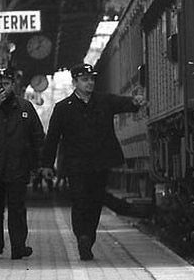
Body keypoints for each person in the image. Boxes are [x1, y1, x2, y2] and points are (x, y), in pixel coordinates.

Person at [40, 63, 145, 261]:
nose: (89, 83)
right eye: (84, 80)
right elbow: (52, 137)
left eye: (91, 79)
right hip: (76, 165)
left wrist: (135, 102)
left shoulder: (104, 101)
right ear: (75, 82)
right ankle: (83, 237)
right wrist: (46, 164)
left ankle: (88, 237)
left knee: (96, 202)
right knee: (80, 201)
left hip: (100, 163)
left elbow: (123, 103)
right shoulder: (63, 108)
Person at [0, 67, 45, 260]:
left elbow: (37, 136)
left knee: (17, 209)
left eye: (6, 83)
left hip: (17, 167)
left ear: (13, 85)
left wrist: (39, 164)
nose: (2, 87)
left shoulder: (25, 107)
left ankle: (18, 247)